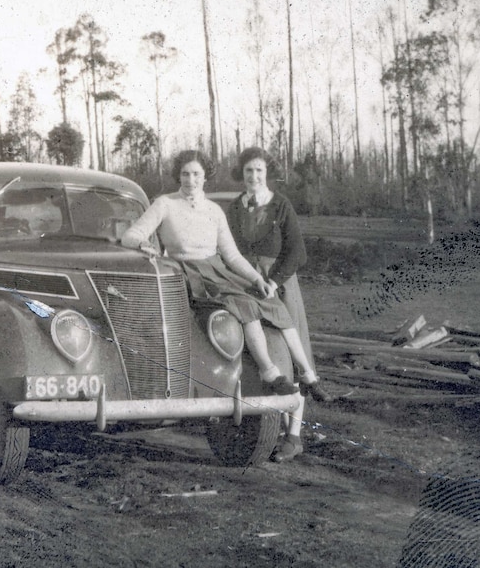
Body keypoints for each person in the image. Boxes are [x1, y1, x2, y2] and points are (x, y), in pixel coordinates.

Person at [121, 149, 316, 396]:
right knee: (244, 305)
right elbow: (131, 235)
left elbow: (232, 256)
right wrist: (143, 244)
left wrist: (257, 279)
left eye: (196, 174)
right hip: (186, 271)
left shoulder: (214, 210)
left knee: (268, 301)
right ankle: (269, 370)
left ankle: (307, 374)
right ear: (178, 176)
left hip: (217, 270)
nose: (190, 180)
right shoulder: (165, 203)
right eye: (185, 174)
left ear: (205, 177)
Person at [227, 146, 332, 462]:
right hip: (246, 284)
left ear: (267, 174)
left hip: (279, 286)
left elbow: (297, 253)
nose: (254, 176)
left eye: (259, 171)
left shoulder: (281, 206)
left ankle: (294, 437)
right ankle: (262, 424)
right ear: (242, 175)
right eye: (248, 171)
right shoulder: (234, 208)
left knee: (291, 356)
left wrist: (273, 281)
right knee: (259, 356)